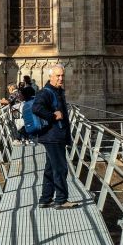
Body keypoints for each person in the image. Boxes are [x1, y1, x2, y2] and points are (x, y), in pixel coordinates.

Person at [31, 64, 74, 209]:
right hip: (53, 136)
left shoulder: (57, 91)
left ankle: (45, 199)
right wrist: (52, 116)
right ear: (50, 77)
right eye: (58, 76)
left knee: (50, 168)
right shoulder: (46, 92)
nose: (61, 78)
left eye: (62, 75)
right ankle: (61, 200)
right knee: (60, 168)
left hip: (55, 136)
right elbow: (36, 108)